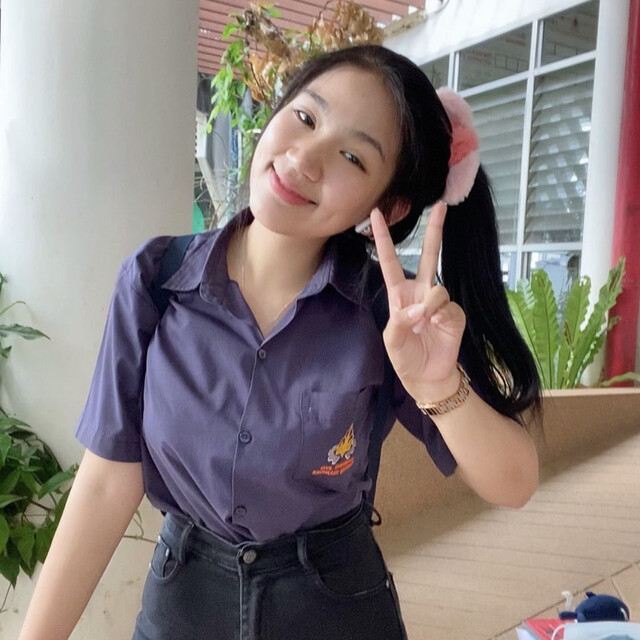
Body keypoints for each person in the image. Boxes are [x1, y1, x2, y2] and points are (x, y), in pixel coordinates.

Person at [18, 45, 541, 640]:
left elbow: (515, 483)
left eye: (352, 156)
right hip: (183, 607)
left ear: (387, 206)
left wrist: (438, 385)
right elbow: (107, 482)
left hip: (334, 610)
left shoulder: (390, 314)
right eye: (306, 116)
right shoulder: (156, 279)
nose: (304, 159)